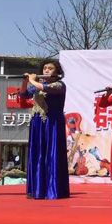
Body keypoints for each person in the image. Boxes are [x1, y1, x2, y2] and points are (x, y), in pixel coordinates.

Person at [19, 60, 70, 200]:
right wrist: (25, 82)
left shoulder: (59, 85)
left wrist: (31, 80)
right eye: (45, 68)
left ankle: (52, 189)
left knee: (51, 153)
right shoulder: (36, 85)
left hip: (52, 123)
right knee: (38, 153)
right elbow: (23, 95)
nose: (46, 70)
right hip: (38, 123)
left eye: (50, 68)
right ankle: (37, 189)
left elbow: (44, 88)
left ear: (57, 71)